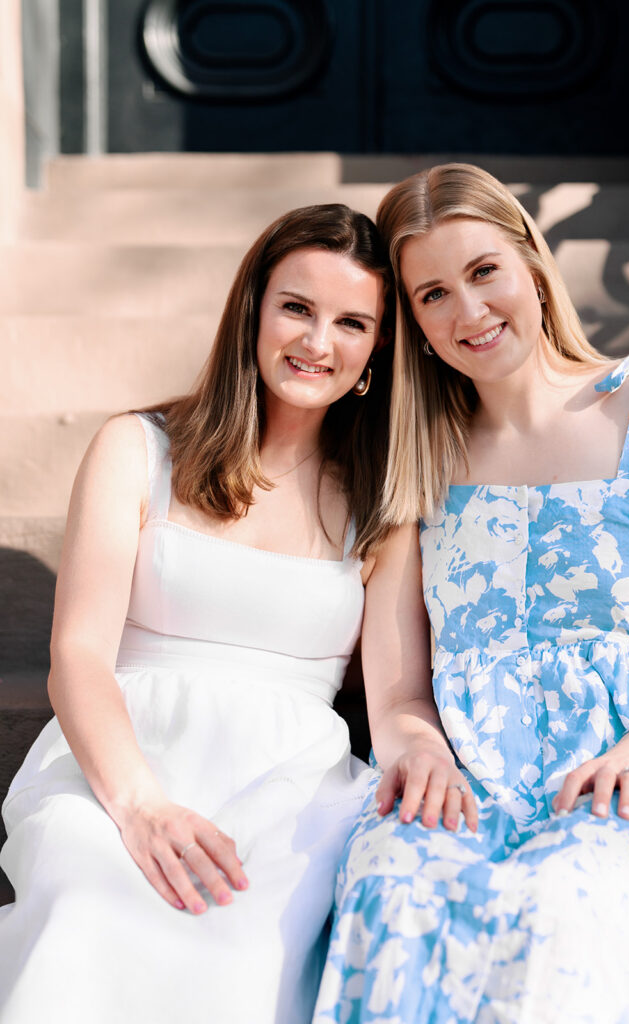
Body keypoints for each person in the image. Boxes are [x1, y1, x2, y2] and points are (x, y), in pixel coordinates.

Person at [312, 165, 629, 1024]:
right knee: (395, 883)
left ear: (530, 260)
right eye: (433, 295)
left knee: (571, 895)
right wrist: (419, 750)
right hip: (469, 772)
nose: (470, 313)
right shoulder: (417, 454)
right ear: (410, 321)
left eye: (484, 272)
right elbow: (402, 688)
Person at [0, 203, 469, 1024]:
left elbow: (394, 698)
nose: (317, 342)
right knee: (89, 894)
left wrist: (424, 750)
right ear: (252, 308)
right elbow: (77, 654)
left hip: (292, 787)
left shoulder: (381, 502)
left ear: (376, 350)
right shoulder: (137, 448)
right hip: (121, 760)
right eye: (296, 308)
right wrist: (139, 804)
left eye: (351, 322)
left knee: (246, 943)